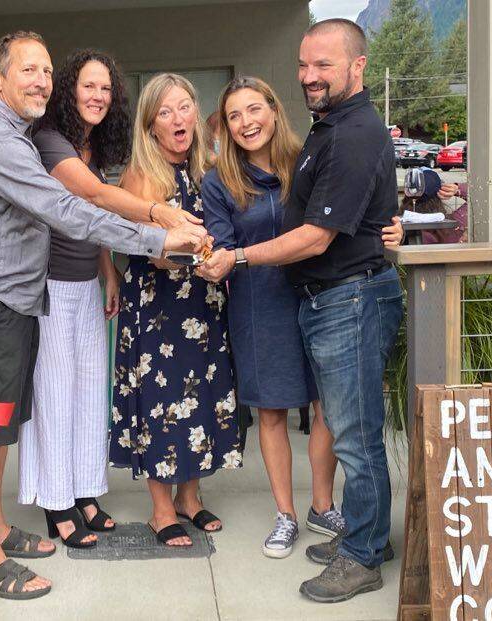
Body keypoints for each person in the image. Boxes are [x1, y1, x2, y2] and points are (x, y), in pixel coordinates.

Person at [0, 31, 207, 599]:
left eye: (44, 70)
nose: (39, 79)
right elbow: (68, 208)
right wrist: (158, 236)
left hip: (14, 297)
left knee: (1, 431)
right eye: (27, 70)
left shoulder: (11, 132)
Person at [197, 19, 403, 602]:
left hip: (349, 297)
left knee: (355, 437)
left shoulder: (352, 133)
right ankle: (365, 536)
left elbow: (316, 235)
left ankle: (361, 554)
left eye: (324, 66)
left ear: (357, 67)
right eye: (304, 65)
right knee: (349, 431)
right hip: (323, 299)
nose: (310, 76)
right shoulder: (328, 130)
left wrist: (238, 256)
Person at [17, 49, 200, 548]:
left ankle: (84, 491)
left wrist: (107, 272)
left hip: (86, 282)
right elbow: (94, 197)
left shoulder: (91, 145)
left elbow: (91, 224)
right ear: (68, 91)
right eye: (87, 86)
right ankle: (56, 501)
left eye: (105, 88)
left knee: (87, 392)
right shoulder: (50, 142)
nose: (97, 96)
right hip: (50, 285)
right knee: (54, 394)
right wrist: (159, 213)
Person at [108, 73, 242, 548]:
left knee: (202, 393)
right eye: (164, 112)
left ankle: (190, 496)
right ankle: (161, 509)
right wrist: (196, 255)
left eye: (183, 107)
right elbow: (142, 247)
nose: (177, 118)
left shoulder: (206, 168)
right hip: (159, 306)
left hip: (203, 303)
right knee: (161, 403)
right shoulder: (142, 175)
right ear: (150, 127)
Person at [400, 167, 468, 244]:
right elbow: (480, 197)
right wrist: (458, 189)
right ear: (439, 193)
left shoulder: (396, 227)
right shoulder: (455, 224)